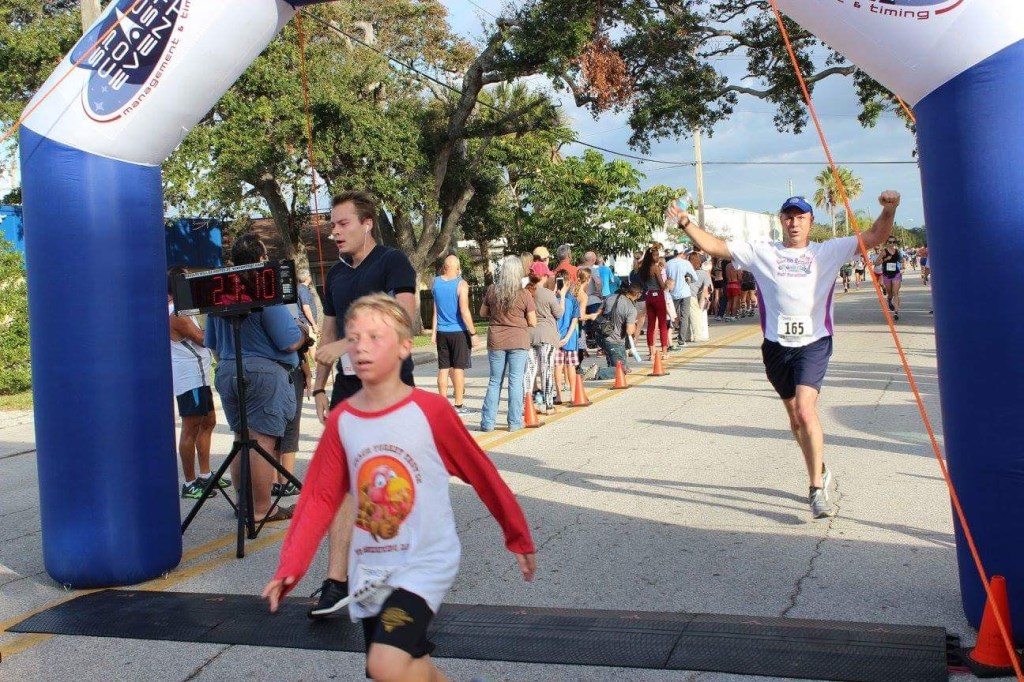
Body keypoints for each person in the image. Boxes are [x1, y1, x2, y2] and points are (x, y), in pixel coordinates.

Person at [263, 294, 536, 682]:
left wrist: (518, 535)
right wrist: (291, 567)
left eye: (376, 336)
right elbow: (320, 498)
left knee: (385, 664)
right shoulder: (343, 419)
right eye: (354, 338)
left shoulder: (431, 411)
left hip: (423, 563)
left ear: (405, 347)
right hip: (371, 569)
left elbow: (482, 474)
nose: (362, 347)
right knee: (402, 668)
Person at [668, 191, 901, 519]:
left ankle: (816, 488)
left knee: (806, 412)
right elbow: (716, 246)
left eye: (801, 217)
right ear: (781, 221)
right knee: (794, 418)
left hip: (814, 343)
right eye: (789, 216)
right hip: (776, 347)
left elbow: (876, 236)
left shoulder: (828, 251)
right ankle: (817, 461)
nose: (794, 222)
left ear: (810, 222)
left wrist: (889, 210)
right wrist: (685, 222)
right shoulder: (763, 252)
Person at [308, 191, 419, 620]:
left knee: (385, 486)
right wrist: (319, 388)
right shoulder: (334, 275)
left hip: (389, 390)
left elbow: (404, 318)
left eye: (342, 224)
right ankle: (337, 582)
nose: (334, 232)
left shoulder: (393, 262)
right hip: (345, 392)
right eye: (332, 225)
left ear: (367, 223)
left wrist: (346, 344)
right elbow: (327, 332)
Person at [205, 233, 308, 523]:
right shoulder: (263, 289)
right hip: (263, 372)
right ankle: (263, 508)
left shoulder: (221, 291)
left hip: (228, 367)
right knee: (261, 442)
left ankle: (245, 505)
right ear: (261, 258)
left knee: (241, 440)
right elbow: (287, 342)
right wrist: (302, 332)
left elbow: (210, 341)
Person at [167, 266, 226, 499]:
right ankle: (190, 482)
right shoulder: (176, 314)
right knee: (190, 427)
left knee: (208, 421)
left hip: (200, 375)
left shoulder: (184, 309)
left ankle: (205, 475)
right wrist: (217, 314)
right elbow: (203, 339)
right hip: (188, 378)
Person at [479, 256, 537, 432]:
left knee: (495, 381)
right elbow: (533, 321)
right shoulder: (524, 293)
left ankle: (488, 423)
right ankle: (514, 422)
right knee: (515, 380)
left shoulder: (492, 290)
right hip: (518, 339)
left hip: (496, 339)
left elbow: (482, 313)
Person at [431, 254, 478, 415]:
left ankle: (442, 404)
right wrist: (473, 333)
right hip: (458, 331)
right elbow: (464, 311)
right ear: (458, 268)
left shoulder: (435, 282)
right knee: (458, 369)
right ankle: (458, 405)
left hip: (442, 332)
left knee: (443, 368)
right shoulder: (461, 284)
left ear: (444, 267)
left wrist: (433, 331)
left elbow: (435, 309)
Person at [583, 282, 642, 380]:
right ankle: (596, 372)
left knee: (620, 365)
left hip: (600, 335)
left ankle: (611, 365)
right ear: (638, 294)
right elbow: (629, 331)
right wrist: (635, 323)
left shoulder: (610, 297)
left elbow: (597, 314)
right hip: (614, 341)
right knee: (621, 371)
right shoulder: (631, 308)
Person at [524, 266, 563, 415]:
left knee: (530, 370)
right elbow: (558, 314)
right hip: (546, 334)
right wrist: (563, 296)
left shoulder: (525, 292)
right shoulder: (547, 294)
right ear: (544, 276)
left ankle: (526, 404)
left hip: (528, 334)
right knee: (547, 369)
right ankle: (548, 406)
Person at [638, 246, 670, 360]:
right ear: (652, 256)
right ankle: (664, 352)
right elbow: (662, 285)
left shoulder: (643, 268)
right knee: (662, 324)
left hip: (649, 295)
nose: (657, 257)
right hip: (658, 295)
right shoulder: (655, 268)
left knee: (651, 325)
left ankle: (651, 352)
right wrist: (666, 282)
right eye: (656, 255)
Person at [665, 248, 697, 348]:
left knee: (670, 316)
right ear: (682, 253)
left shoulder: (668, 263)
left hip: (671, 293)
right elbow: (695, 277)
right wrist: (688, 279)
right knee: (684, 316)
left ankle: (667, 338)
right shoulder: (686, 263)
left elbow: (664, 278)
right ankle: (681, 340)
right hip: (685, 293)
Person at [879, 237, 904, 320]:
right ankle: (889, 301)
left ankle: (896, 312)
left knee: (895, 292)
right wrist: (886, 259)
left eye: (894, 242)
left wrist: (902, 264)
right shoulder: (883, 252)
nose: (892, 244)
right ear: (887, 243)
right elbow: (876, 263)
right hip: (887, 275)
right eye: (890, 242)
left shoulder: (897, 251)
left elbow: (901, 260)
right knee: (890, 294)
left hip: (896, 274)